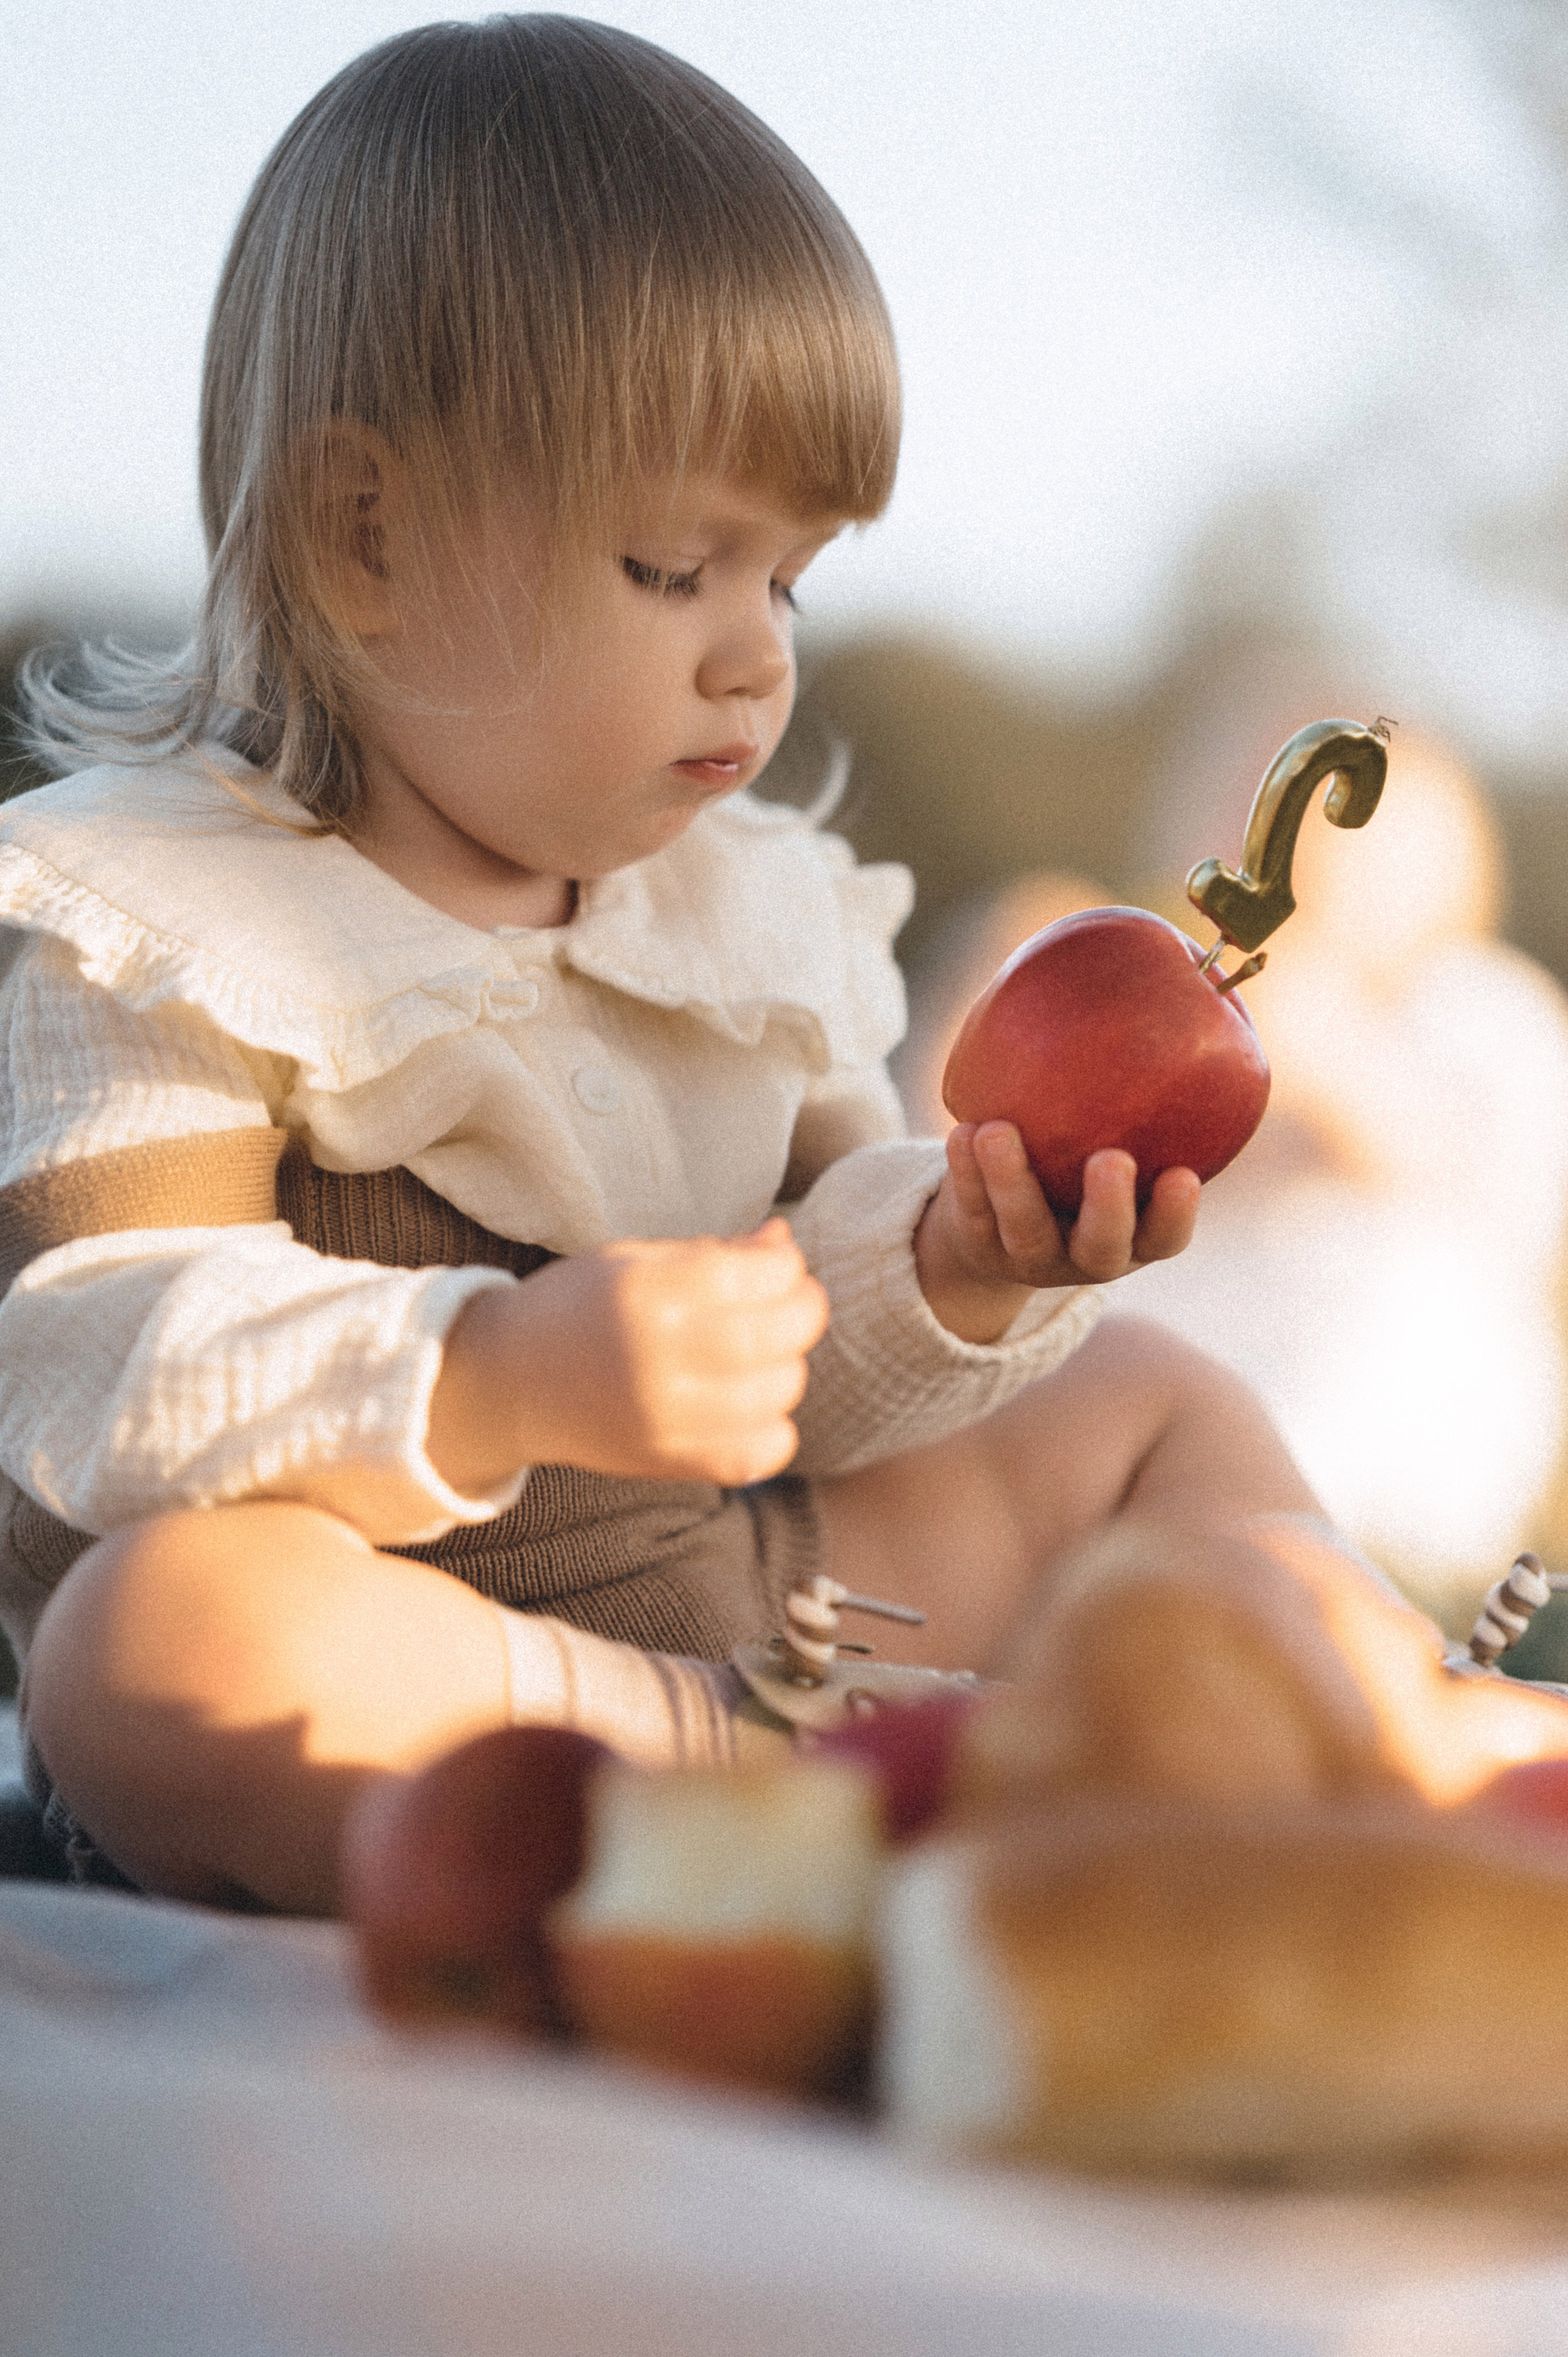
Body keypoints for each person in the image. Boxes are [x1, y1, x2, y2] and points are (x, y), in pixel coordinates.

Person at [0, 17, 1514, 1921]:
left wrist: (948, 1271)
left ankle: (1360, 1726)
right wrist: (497, 1376)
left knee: (1139, 1397)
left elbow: (818, 1376)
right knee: (159, 1650)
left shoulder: (740, 928)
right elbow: (94, 1373)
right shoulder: (162, 920)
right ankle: (834, 1797)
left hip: (771, 1586)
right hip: (460, 1667)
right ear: (363, 533)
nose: (754, 659)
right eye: (672, 571)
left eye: (785, 579)